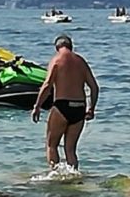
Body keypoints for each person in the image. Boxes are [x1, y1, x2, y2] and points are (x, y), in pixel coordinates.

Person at [32, 35, 100, 170]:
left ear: (57, 48)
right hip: (80, 107)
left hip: (62, 105)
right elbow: (94, 87)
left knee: (52, 145)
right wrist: (91, 108)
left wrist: (37, 106)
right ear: (71, 46)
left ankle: (55, 174)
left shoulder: (56, 60)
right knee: (70, 149)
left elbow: (47, 85)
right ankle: (73, 174)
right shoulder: (81, 61)